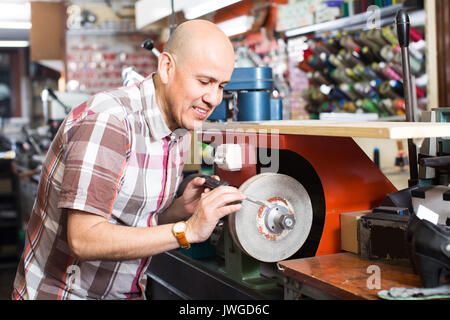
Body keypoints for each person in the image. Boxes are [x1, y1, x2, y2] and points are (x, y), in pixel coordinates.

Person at [12, 19, 245, 300]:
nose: (214, 98)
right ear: (167, 67)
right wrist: (187, 231)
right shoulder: (110, 121)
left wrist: (177, 212)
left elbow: (128, 219)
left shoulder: (179, 128)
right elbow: (83, 238)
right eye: (204, 81)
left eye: (221, 85)